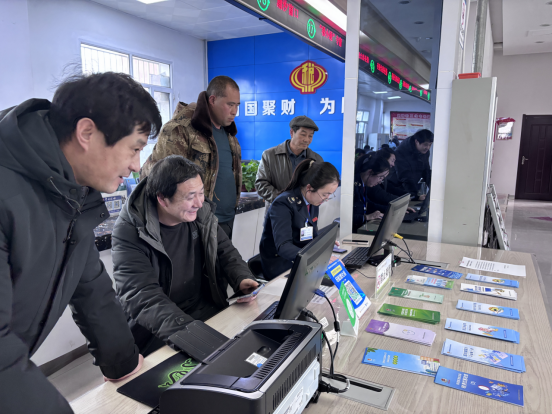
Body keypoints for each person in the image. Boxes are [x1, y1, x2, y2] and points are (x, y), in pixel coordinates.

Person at [0, 72, 160, 413]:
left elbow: (92, 291)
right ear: (87, 133)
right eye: (134, 149)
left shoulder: (70, 193)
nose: (136, 166)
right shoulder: (7, 190)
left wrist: (126, 365)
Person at [112, 156, 259, 356]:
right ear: (162, 199)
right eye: (190, 197)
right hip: (159, 327)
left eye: (201, 193)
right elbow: (143, 296)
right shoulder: (130, 230)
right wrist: (192, 334)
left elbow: (225, 250)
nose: (199, 203)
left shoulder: (201, 213)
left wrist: (242, 277)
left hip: (204, 308)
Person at [141, 76, 242, 238]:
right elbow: (159, 180)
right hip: (193, 225)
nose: (234, 111)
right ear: (212, 100)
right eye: (230, 104)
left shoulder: (229, 134)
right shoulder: (180, 129)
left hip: (227, 220)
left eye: (237, 105)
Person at [259, 159, 340, 280]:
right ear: (309, 188)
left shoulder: (313, 201)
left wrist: (325, 243)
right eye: (324, 194)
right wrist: (317, 257)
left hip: (302, 258)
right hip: (280, 264)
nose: (326, 199)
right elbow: (284, 246)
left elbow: (309, 234)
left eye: (330, 194)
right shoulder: (283, 204)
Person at [255, 116, 323, 211]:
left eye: (310, 136)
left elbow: (320, 187)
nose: (307, 140)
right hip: (278, 212)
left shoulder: (317, 159)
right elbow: (261, 184)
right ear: (292, 132)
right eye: (303, 134)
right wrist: (284, 201)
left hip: (305, 213)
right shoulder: (269, 155)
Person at [364, 148, 416, 214]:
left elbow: (391, 188)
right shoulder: (371, 177)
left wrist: (409, 196)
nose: (393, 164)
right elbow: (379, 194)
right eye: (392, 161)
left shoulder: (380, 175)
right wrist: (400, 202)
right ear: (383, 159)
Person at [387, 129, 433, 201]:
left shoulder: (423, 151)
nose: (428, 147)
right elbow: (405, 176)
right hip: (396, 188)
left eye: (430, 145)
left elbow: (426, 171)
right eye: (425, 144)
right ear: (416, 141)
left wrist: (434, 189)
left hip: (409, 187)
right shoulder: (402, 152)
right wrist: (415, 196)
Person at [352, 153, 392, 232]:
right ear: (370, 172)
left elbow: (368, 204)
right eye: (380, 177)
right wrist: (367, 217)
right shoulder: (353, 187)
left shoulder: (362, 184)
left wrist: (391, 209)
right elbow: (345, 217)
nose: (380, 182)